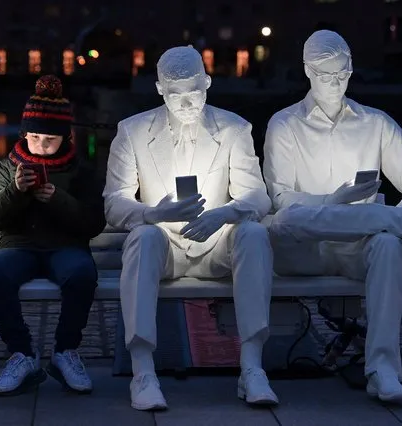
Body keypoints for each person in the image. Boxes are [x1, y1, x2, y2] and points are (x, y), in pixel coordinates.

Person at [263, 30, 402, 404]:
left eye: (343, 74)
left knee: (386, 243)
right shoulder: (284, 125)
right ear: (307, 70)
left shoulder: (376, 124)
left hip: (356, 249)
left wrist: (391, 218)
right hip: (303, 249)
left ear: (351, 69)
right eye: (325, 74)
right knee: (287, 219)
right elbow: (281, 198)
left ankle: (382, 368)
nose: (335, 83)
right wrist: (334, 200)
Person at [104, 46, 277, 411]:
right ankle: (143, 372)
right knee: (143, 237)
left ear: (208, 83)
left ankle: (252, 368)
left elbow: (259, 198)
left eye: (194, 92)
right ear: (159, 90)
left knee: (254, 232)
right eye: (175, 95)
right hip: (164, 248)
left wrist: (223, 215)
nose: (185, 103)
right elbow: (115, 203)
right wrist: (154, 214)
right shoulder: (132, 131)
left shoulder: (234, 128)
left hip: (216, 247)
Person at [0, 75, 106, 396]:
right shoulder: (9, 167)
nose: (41, 145)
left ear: (65, 138)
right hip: (19, 246)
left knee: (81, 274)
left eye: (50, 139)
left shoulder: (81, 170)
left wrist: (58, 199)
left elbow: (94, 223)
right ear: (24, 133)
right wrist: (16, 191)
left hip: (66, 247)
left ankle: (65, 353)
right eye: (35, 137)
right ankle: (22, 354)